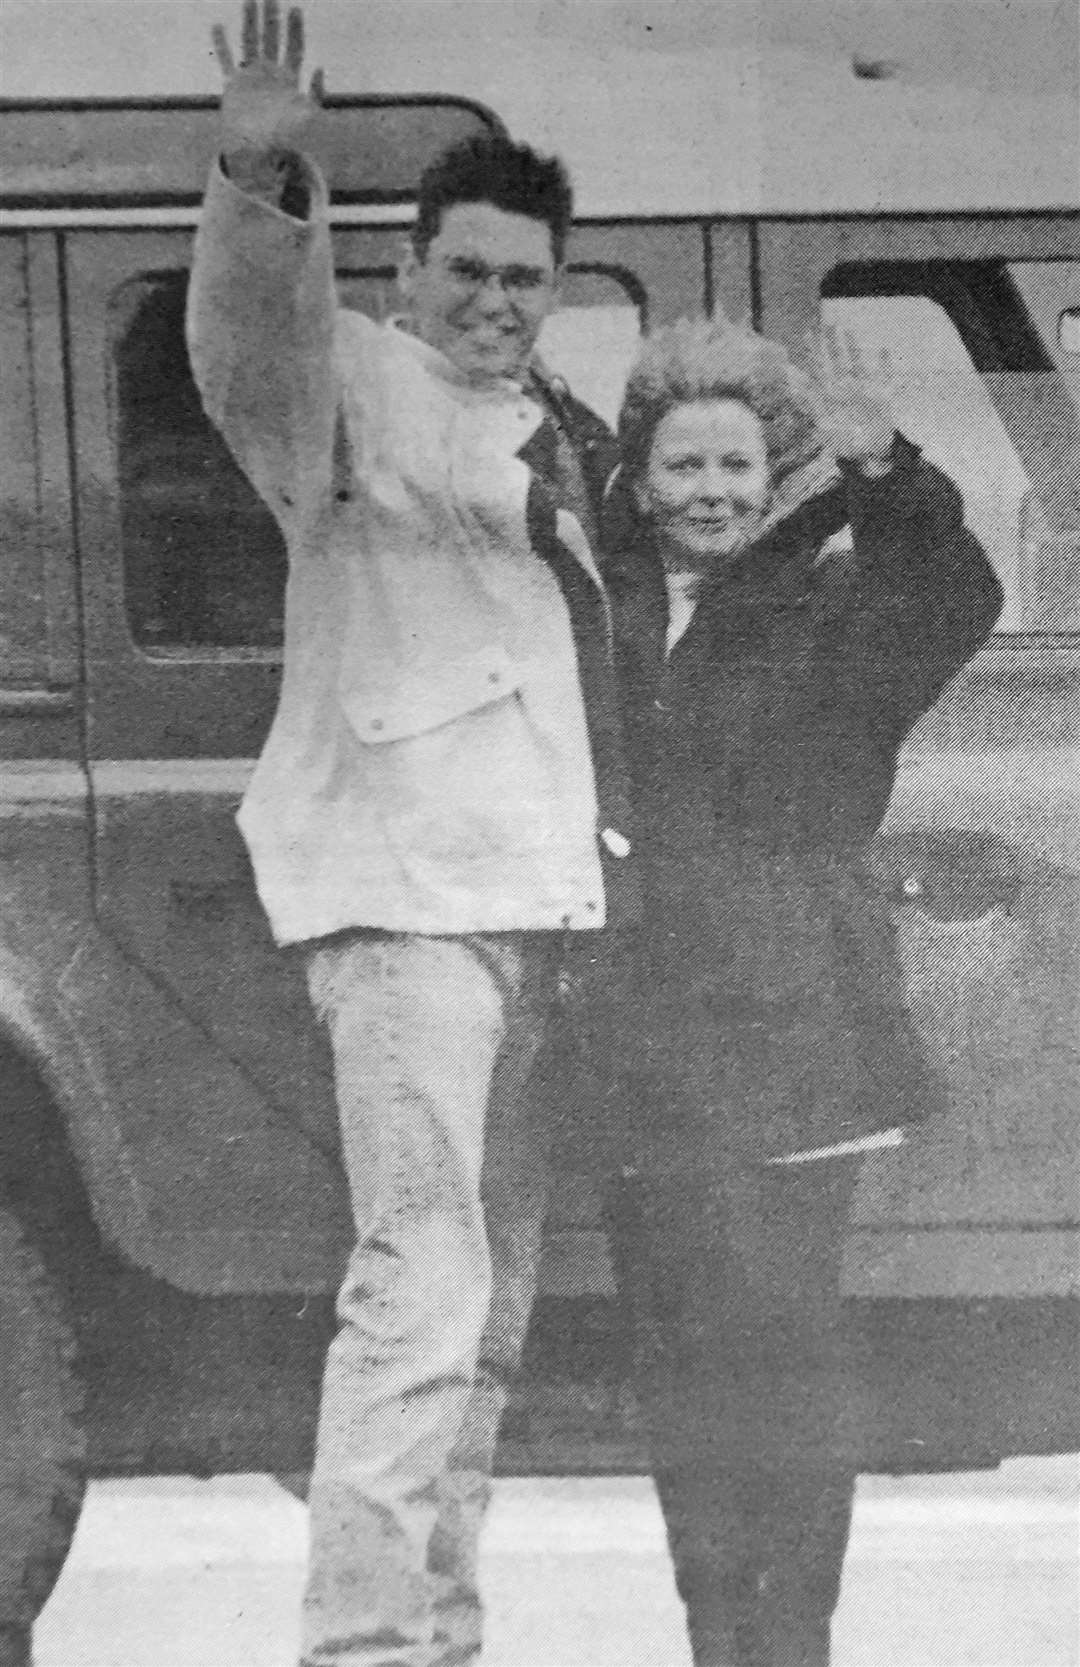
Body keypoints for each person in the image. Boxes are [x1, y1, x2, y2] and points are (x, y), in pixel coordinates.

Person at [185, 4, 637, 1663]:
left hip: (539, 912)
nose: (496, 301)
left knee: (489, 1320)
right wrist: (258, 162)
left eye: (527, 276)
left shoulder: (557, 435)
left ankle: (436, 1635)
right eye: (467, 269)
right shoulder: (345, 396)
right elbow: (246, 339)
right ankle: (363, 1651)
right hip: (403, 911)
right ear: (407, 272)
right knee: (420, 1299)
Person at [601, 318, 1004, 1667]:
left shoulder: (834, 610)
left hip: (795, 1033)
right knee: (678, 1371)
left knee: (778, 1360)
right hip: (646, 1046)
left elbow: (952, 597)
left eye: (735, 461)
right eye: (683, 462)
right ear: (641, 475)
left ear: (773, 472)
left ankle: (792, 1648)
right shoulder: (601, 608)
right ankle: (721, 1639)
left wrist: (885, 468)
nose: (710, 488)